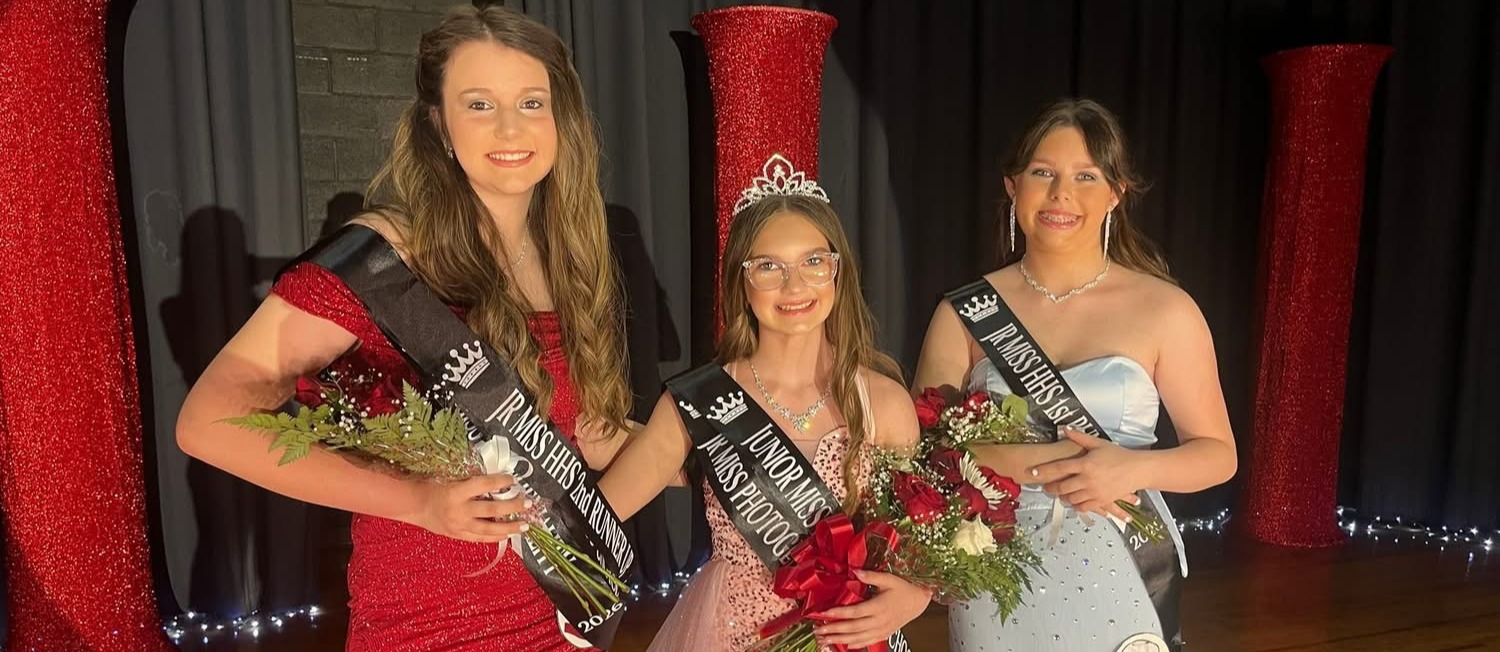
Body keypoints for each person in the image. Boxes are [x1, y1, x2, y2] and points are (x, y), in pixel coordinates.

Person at [175, 6, 632, 650]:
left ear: (563, 120)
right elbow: (207, 422)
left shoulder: (569, 256)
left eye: (533, 102)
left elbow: (585, 438)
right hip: (431, 623)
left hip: (562, 617)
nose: (510, 126)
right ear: (439, 125)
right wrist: (416, 500)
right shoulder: (387, 256)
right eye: (479, 105)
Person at [913, 99, 1236, 652]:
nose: (1062, 193)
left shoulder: (1165, 309)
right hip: (994, 563)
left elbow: (1217, 455)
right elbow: (926, 457)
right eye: (1044, 172)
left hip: (1122, 560)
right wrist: (1056, 463)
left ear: (1115, 193)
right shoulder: (965, 312)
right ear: (1014, 187)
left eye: (1086, 176)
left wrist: (1129, 469)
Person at [600, 156, 931, 651]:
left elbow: (919, 540)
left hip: (851, 636)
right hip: (733, 633)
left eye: (814, 262)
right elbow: (596, 515)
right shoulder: (698, 401)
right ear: (741, 280)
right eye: (769, 266)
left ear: (837, 272)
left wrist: (915, 596)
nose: (794, 286)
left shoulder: (883, 400)